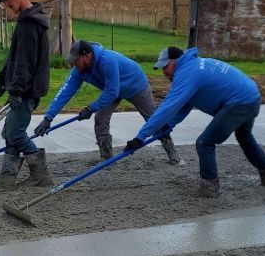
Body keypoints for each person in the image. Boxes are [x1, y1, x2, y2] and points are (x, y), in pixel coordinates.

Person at [124, 46, 265, 197]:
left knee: (205, 143)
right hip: (251, 97)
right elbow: (184, 106)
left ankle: (209, 188)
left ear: (175, 61)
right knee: (244, 137)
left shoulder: (187, 73)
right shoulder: (193, 66)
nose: (164, 72)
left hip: (239, 102)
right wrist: (167, 126)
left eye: (165, 67)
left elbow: (167, 108)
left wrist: (140, 137)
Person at [33, 39, 181, 164]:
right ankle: (107, 160)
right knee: (101, 118)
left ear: (87, 55)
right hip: (113, 88)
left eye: (76, 60)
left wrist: (91, 108)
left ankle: (174, 156)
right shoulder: (79, 71)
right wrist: (48, 118)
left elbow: (111, 92)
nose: (74, 65)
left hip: (136, 85)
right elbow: (65, 93)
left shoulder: (107, 61)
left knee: (154, 120)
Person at [0, 0, 52, 189]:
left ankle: (41, 176)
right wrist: (2, 79)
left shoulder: (29, 25)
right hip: (22, 89)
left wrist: (15, 90)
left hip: (25, 91)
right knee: (9, 131)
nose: (6, 4)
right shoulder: (26, 21)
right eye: (3, 1)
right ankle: (6, 179)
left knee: (16, 133)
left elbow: (25, 63)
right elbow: (14, 58)